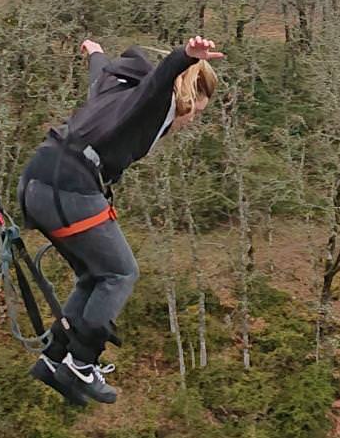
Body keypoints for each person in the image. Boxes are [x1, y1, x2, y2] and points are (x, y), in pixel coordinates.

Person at [20, 32, 222, 406]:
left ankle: (54, 360)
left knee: (94, 275)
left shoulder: (119, 89)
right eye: (198, 110)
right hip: (69, 185)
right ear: (188, 95)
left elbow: (102, 74)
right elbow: (160, 82)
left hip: (39, 181)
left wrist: (94, 53)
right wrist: (185, 56)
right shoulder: (154, 101)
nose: (192, 121)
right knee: (120, 273)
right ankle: (81, 362)